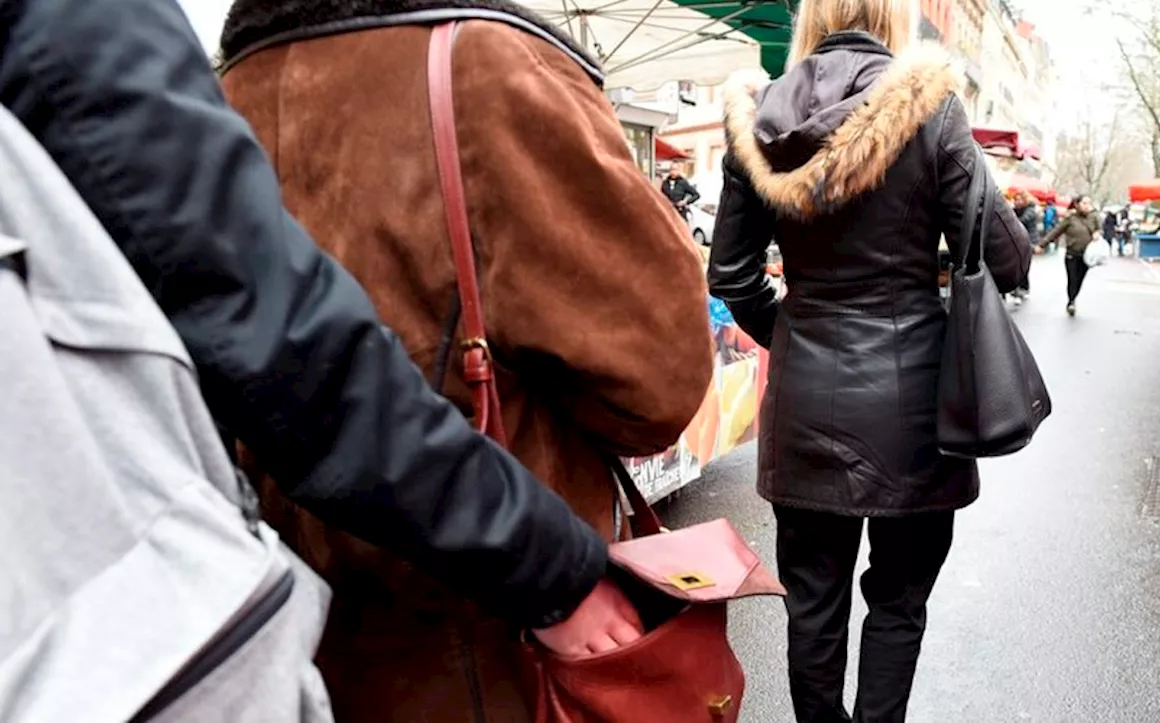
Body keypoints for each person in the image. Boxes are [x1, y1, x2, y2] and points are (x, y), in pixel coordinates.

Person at [0, 0, 646, 705]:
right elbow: (658, 378)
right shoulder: (493, 61)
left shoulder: (233, 75)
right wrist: (552, 563)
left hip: (283, 609)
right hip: (482, 628)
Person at [217, 1, 715, 720]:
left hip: (278, 652)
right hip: (502, 646)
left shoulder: (204, 103)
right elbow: (660, 380)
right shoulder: (485, 66)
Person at [710, 0, 1031, 720]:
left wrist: (794, 331)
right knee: (898, 601)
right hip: (916, 411)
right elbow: (1009, 257)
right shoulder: (931, 107)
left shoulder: (759, 117)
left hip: (803, 409)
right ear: (895, 18)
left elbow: (730, 276)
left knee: (812, 606)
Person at [1042, 195, 1101, 316]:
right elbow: (1056, 231)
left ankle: (1073, 297)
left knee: (1079, 279)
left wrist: (1097, 233)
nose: (1087, 206)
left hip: (1087, 255)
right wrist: (1042, 244)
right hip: (1072, 253)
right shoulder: (1070, 218)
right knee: (1072, 278)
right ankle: (1071, 301)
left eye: (1089, 203)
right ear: (1077, 204)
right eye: (1084, 203)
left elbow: (1100, 229)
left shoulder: (1094, 216)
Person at [1013, 191, 1041, 301]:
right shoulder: (1014, 211)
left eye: (1019, 199)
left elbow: (1023, 220)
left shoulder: (1030, 210)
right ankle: (1018, 287)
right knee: (1017, 264)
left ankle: (1023, 287)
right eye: (1015, 199)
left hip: (1028, 241)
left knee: (1023, 265)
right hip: (1017, 241)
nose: (1017, 202)